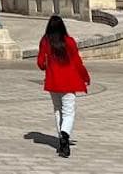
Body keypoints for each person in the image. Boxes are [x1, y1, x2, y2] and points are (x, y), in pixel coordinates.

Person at [37, 15, 91, 158]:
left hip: (53, 81)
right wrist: (85, 77)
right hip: (69, 81)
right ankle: (65, 137)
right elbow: (77, 62)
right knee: (68, 111)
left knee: (58, 109)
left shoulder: (45, 41)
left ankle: (61, 139)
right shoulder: (69, 41)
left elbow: (41, 64)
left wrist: (47, 64)